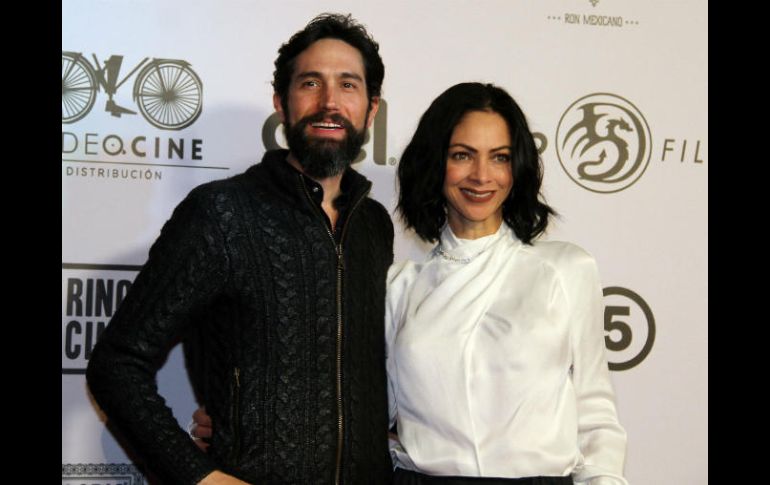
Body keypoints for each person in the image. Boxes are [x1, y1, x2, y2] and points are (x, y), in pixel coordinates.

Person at [86, 13, 394, 485]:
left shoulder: (374, 225)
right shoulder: (221, 213)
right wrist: (201, 477)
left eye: (348, 86)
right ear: (282, 103)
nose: (329, 102)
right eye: (311, 83)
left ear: (371, 110)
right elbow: (117, 365)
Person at [387, 82, 628, 484]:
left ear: (516, 167)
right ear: (434, 163)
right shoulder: (398, 287)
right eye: (462, 155)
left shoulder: (566, 269)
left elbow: (595, 412)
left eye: (498, 157)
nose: (482, 176)